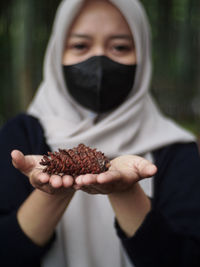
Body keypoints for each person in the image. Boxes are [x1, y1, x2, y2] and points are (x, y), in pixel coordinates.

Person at [0, 0, 200, 266]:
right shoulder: (20, 135)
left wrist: (126, 191)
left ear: (142, 54)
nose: (99, 60)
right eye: (80, 45)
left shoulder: (175, 147)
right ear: (57, 53)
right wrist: (53, 193)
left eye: (120, 47)